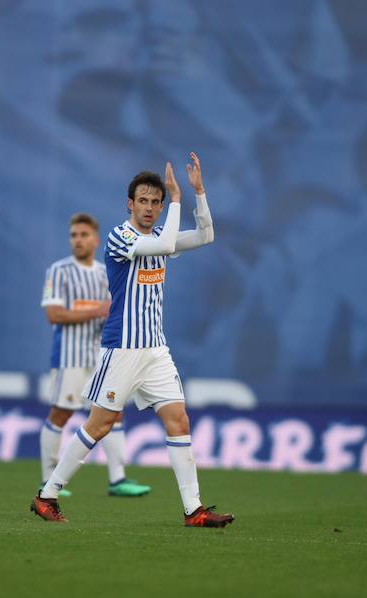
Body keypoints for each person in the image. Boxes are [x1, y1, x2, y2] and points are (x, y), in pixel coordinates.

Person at [31, 153, 234, 527]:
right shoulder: (119, 237)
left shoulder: (160, 234)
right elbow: (165, 244)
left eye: (156, 201)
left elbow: (206, 235)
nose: (150, 207)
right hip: (122, 349)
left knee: (179, 420)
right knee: (99, 425)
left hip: (156, 351)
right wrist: (176, 200)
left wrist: (198, 193)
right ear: (130, 203)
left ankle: (194, 510)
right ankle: (47, 495)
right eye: (144, 200)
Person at [40, 213, 151, 498]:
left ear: (96, 239)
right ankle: (48, 478)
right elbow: (54, 314)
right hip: (70, 357)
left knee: (113, 414)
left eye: (83, 235)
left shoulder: (107, 272)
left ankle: (118, 479)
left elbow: (115, 310)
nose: (78, 240)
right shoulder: (58, 271)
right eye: (74, 235)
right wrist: (96, 310)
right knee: (61, 413)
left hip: (102, 355)